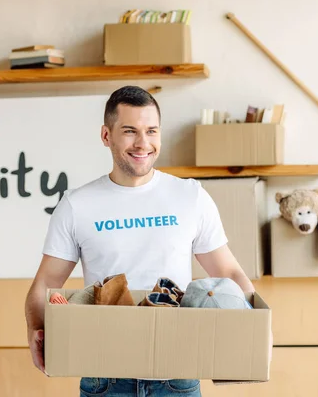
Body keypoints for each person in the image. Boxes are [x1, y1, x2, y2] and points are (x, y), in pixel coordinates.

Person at [25, 85, 255, 396]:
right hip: (104, 378)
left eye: (151, 131)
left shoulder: (190, 197)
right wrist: (36, 329)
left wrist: (256, 324)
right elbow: (45, 282)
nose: (143, 143)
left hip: (176, 376)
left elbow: (228, 273)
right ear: (107, 136)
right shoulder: (77, 205)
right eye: (130, 131)